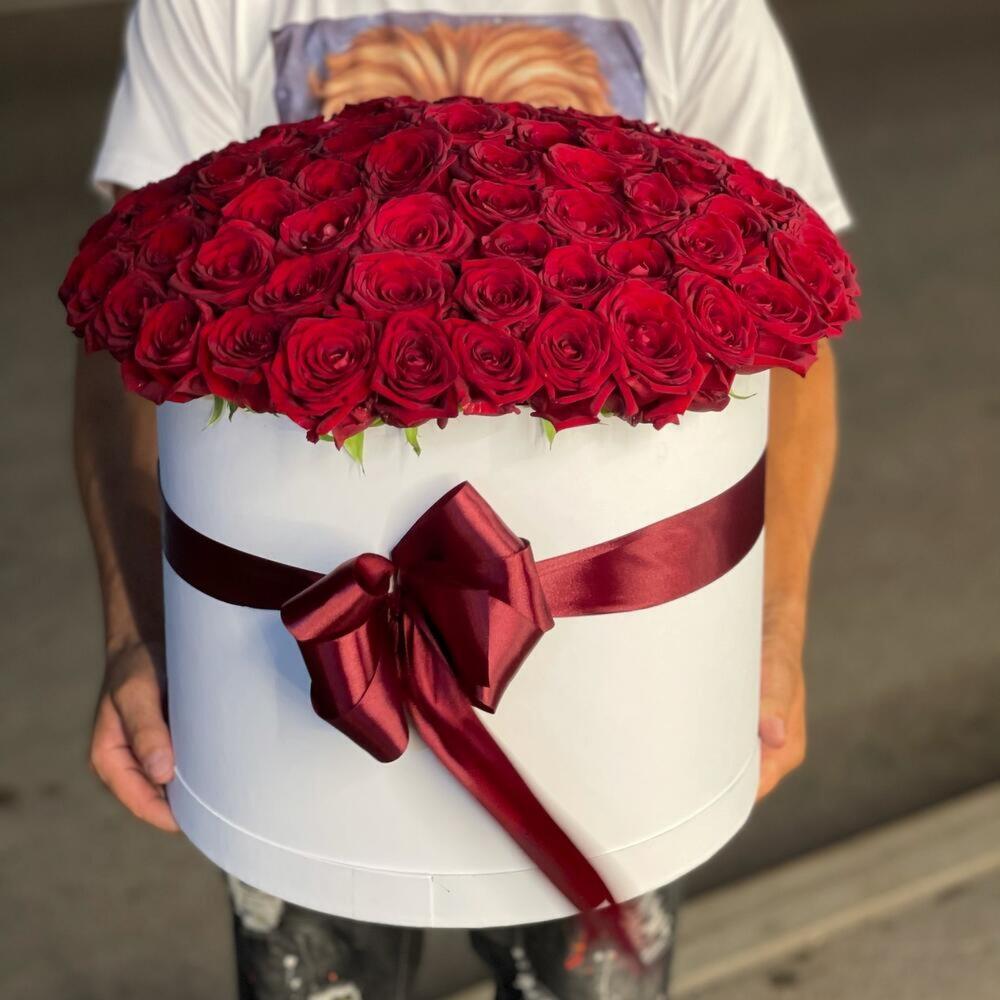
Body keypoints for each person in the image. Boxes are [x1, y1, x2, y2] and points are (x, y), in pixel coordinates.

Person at [76, 1, 850, 997]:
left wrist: (772, 628)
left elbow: (787, 331)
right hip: (290, 682)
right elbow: (134, 321)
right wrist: (138, 623)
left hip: (622, 693)